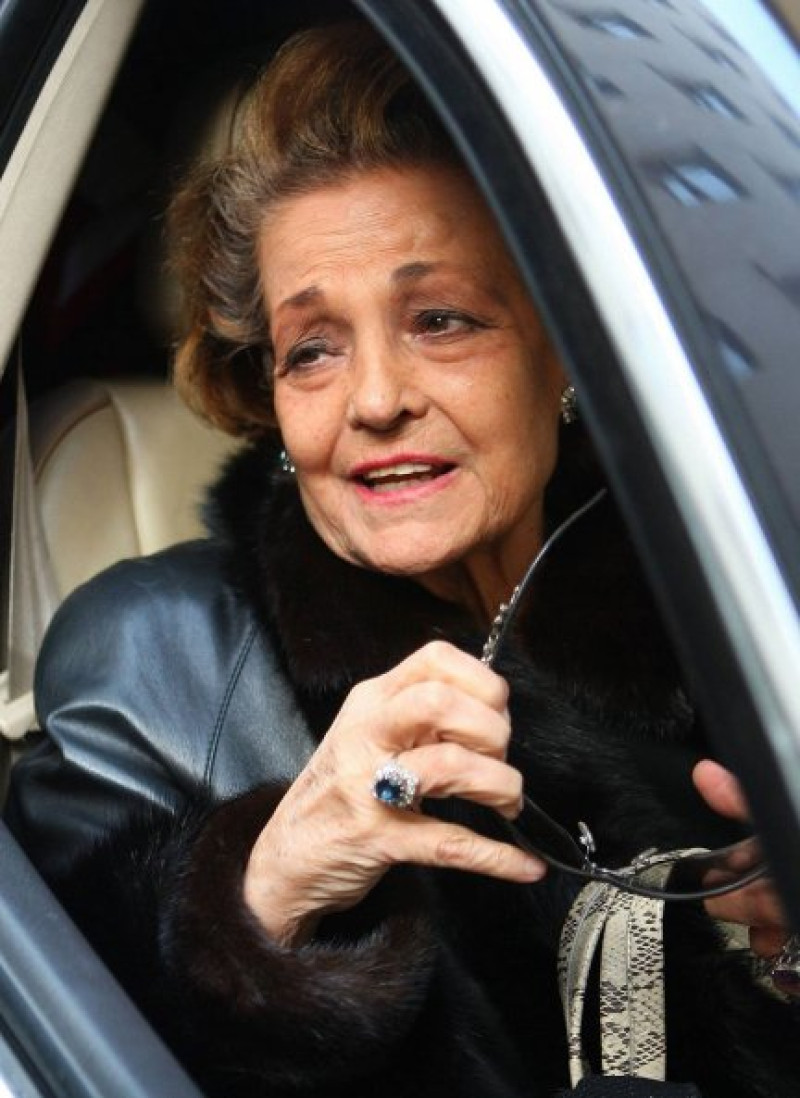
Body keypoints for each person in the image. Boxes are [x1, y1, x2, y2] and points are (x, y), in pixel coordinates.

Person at [5, 19, 799, 1098]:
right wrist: (262, 898)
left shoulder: (730, 583)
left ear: (564, 351)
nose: (375, 399)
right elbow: (64, 1031)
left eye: (440, 319)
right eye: (313, 348)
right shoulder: (155, 654)